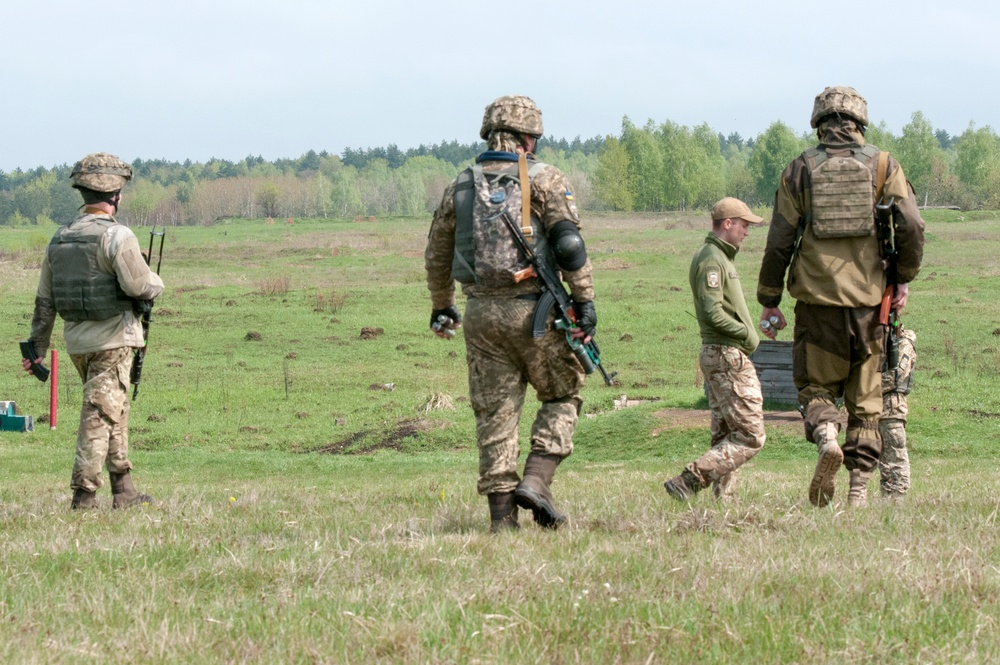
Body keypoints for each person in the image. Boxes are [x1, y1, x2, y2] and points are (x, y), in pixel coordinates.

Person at [424, 95, 596, 532]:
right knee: (563, 394)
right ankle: (537, 481)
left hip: (481, 315)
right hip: (534, 310)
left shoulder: (460, 186)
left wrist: (443, 306)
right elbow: (569, 246)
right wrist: (584, 302)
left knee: (495, 416)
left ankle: (502, 522)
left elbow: (436, 255)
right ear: (526, 138)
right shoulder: (547, 179)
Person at [757, 86, 925, 508]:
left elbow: (779, 240)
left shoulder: (799, 170)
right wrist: (902, 277)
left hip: (816, 305)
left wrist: (769, 296)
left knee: (815, 388)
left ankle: (827, 436)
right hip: (870, 308)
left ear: (819, 122)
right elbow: (912, 227)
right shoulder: (885, 166)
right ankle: (857, 492)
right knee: (867, 403)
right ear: (860, 123)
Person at [23, 152, 164, 510]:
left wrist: (38, 346)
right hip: (114, 337)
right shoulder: (118, 236)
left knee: (112, 407)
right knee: (99, 413)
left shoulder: (61, 238)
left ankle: (125, 490)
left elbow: (45, 300)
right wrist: (156, 281)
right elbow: (138, 286)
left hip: (77, 342)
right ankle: (83, 497)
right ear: (115, 195)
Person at [664, 198, 767, 501]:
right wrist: (747, 334)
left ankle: (725, 499)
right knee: (750, 436)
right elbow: (712, 313)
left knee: (725, 434)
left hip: (722, 353)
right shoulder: (712, 260)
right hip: (726, 355)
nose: (747, 231)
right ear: (727, 224)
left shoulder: (720, 257)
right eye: (744, 224)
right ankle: (689, 479)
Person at [879, 324, 917, 500]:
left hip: (893, 409)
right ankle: (888, 499)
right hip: (876, 408)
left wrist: (866, 387)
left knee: (895, 456)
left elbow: (897, 376)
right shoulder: (880, 343)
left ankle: (898, 499)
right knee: (884, 461)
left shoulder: (903, 343)